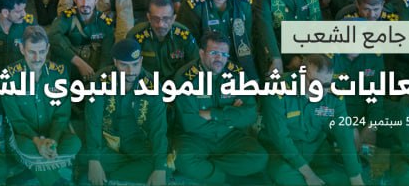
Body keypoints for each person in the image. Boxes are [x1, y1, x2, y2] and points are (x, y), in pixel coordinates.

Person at [173, 31, 269, 184]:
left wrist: (214, 114)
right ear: (201, 53)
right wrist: (232, 116)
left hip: (229, 137)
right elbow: (190, 123)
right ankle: (230, 178)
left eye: (224, 54)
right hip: (196, 138)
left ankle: (207, 169)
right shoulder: (186, 78)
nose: (219, 58)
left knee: (260, 157)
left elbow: (250, 115)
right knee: (182, 159)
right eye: (214, 53)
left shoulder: (236, 74)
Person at [261, 53, 367, 186]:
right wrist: (309, 175)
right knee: (286, 176)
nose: (321, 91)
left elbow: (344, 133)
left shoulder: (334, 94)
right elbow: (280, 138)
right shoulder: (277, 91)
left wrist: (355, 177)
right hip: (280, 151)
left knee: (343, 177)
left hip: (315, 147)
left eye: (326, 84)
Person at [81, 40, 169, 186]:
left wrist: (160, 167)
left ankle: (107, 177)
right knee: (83, 153)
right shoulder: (100, 81)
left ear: (141, 61)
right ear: (115, 62)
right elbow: (93, 121)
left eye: (135, 64)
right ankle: (111, 170)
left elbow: (158, 128)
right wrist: (94, 159)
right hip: (106, 139)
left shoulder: (152, 86)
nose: (130, 71)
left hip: (135, 140)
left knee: (164, 168)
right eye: (124, 65)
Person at [0, 25, 81, 185]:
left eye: (42, 52)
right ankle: (55, 180)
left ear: (48, 48)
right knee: (27, 148)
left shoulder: (58, 73)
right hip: (26, 137)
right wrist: (37, 141)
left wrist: (53, 140)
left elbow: (62, 114)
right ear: (22, 49)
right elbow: (16, 120)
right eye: (32, 52)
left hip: (52, 133)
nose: (37, 58)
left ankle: (32, 171)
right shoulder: (9, 76)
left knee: (74, 143)